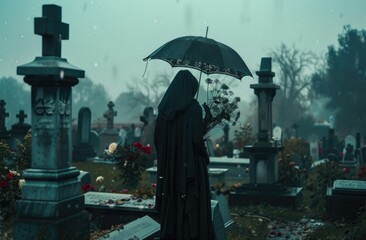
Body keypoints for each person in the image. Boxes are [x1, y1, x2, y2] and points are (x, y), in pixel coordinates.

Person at [154, 70, 216, 240]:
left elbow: (158, 140)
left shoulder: (163, 111)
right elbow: (196, 140)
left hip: (170, 168)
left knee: (173, 202)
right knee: (191, 208)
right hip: (191, 169)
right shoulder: (193, 107)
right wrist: (205, 156)